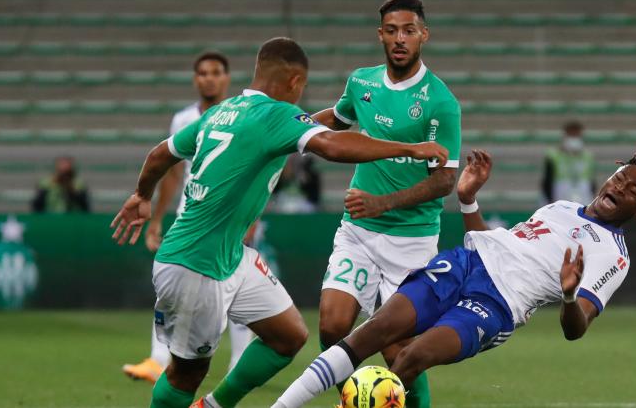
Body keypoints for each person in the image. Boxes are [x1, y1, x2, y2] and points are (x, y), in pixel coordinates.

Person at [110, 37, 449, 408]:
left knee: (287, 335)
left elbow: (161, 153)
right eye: (301, 88)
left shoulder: (223, 111)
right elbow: (333, 146)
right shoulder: (275, 115)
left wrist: (142, 195)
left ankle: (213, 405)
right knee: (185, 373)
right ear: (293, 82)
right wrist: (411, 148)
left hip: (229, 255)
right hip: (195, 264)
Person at [273, 148, 636, 408]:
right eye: (620, 177)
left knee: (410, 359)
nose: (620, 187)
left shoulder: (612, 255)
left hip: (496, 306)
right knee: (374, 331)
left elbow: (577, 328)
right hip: (466, 263)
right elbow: (492, 242)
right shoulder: (562, 207)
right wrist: (468, 198)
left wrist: (570, 296)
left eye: (633, 190)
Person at [310, 0, 461, 407]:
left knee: (402, 356)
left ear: (423, 35)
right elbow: (335, 121)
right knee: (332, 326)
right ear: (380, 35)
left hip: (411, 240)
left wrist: (383, 203)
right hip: (358, 231)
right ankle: (360, 400)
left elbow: (445, 181)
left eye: (408, 31)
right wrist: (289, 126)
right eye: (392, 31)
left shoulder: (440, 101)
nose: (400, 39)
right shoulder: (361, 81)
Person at [122, 51, 256, 383]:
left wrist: (252, 220)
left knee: (238, 291)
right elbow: (172, 173)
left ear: (226, 78)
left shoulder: (243, 116)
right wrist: (157, 218)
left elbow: (255, 172)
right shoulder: (183, 120)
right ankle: (158, 360)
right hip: (191, 218)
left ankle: (238, 363)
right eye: (202, 73)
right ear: (195, 79)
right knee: (171, 286)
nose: (208, 78)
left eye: (215, 72)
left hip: (230, 219)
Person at [541, 120, 596, 205]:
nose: (574, 138)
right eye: (571, 135)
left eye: (576, 135)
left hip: (583, 193)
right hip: (560, 193)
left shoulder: (587, 156)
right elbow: (547, 180)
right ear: (565, 136)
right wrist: (550, 200)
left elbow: (591, 179)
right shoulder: (553, 155)